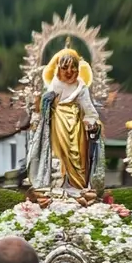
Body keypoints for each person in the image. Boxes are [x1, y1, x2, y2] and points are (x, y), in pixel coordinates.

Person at [18, 44, 104, 195]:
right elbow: (44, 108)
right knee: (58, 158)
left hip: (77, 129)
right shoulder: (54, 87)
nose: (69, 72)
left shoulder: (81, 88)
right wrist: (45, 103)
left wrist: (91, 123)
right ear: (58, 69)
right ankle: (58, 188)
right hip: (58, 127)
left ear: (79, 69)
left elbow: (90, 110)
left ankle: (78, 188)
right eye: (65, 68)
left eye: (73, 68)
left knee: (78, 159)